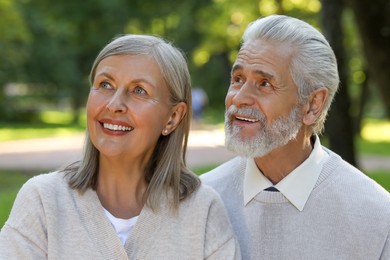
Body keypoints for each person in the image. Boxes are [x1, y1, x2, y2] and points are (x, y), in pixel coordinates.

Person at [0, 34, 241, 259]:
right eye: (105, 85)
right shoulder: (43, 200)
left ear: (173, 117)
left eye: (139, 90)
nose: (114, 104)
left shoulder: (202, 211)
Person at [201, 14, 390, 259]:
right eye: (238, 79)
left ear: (312, 105)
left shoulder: (376, 216)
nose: (238, 98)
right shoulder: (200, 201)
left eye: (264, 83)